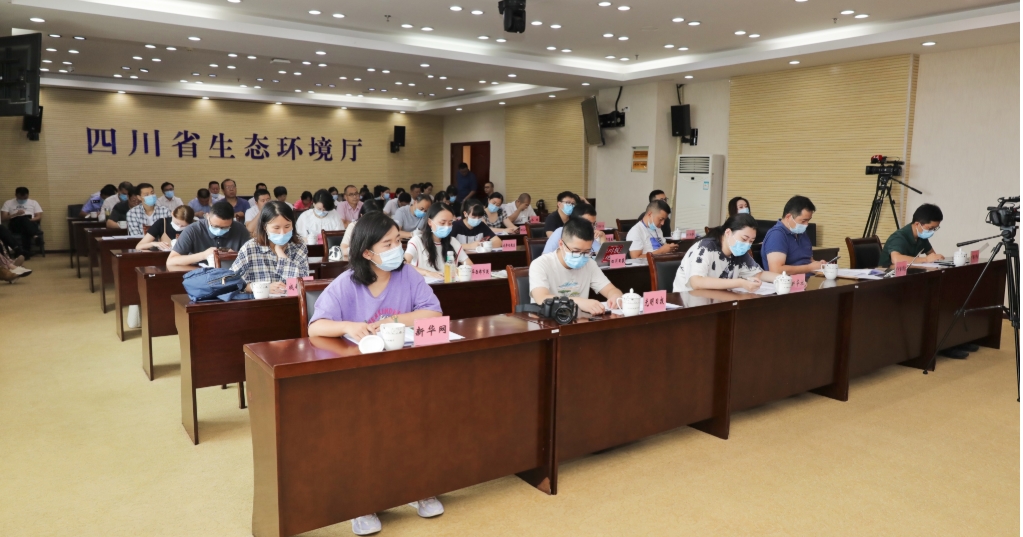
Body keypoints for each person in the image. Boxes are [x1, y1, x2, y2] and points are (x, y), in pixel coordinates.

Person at [308, 210, 445, 536]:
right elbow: (316, 327)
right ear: (367, 252)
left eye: (399, 240)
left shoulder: (408, 275)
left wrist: (393, 321)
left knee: (421, 419)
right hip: (360, 377)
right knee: (365, 432)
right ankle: (363, 501)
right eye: (389, 244)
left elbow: (433, 313)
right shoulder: (346, 283)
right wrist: (348, 326)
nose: (398, 248)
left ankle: (419, 487)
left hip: (403, 369)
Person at [529, 217, 624, 316]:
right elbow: (541, 298)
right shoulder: (540, 264)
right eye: (576, 251)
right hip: (547, 320)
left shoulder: (589, 263)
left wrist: (616, 296)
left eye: (586, 252)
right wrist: (578, 302)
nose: (581, 256)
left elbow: (611, 290)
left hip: (579, 320)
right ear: (561, 244)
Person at [673, 214, 778, 293]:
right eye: (744, 239)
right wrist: (740, 283)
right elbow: (696, 282)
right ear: (728, 233)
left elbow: (758, 274)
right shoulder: (705, 247)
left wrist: (781, 278)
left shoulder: (739, 252)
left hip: (716, 300)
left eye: (751, 241)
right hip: (688, 301)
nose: (747, 245)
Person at [231, 201, 309, 294]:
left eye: (287, 226)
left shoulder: (298, 246)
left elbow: (302, 284)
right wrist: (261, 288)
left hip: (291, 301)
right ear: (265, 227)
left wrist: (280, 253)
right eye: (276, 228)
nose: (282, 233)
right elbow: (231, 282)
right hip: (259, 301)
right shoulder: (250, 247)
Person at [166, 201, 251, 267]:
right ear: (207, 216)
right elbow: (171, 261)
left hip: (232, 274)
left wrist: (234, 256)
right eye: (215, 226)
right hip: (200, 275)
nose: (219, 230)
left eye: (225, 227)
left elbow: (252, 258)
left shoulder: (240, 229)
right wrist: (204, 255)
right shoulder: (193, 230)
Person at [405, 203, 473, 279]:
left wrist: (461, 270)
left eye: (450, 223)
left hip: (448, 284)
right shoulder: (416, 241)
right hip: (424, 284)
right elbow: (405, 264)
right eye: (442, 223)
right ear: (430, 222)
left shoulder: (453, 242)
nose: (447, 227)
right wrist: (427, 273)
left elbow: (470, 264)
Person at [761, 195, 824, 274]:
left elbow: (808, 260)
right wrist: (810, 268)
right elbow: (776, 270)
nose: (806, 224)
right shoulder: (777, 235)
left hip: (810, 278)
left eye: (808, 220)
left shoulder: (801, 233)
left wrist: (819, 265)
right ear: (789, 217)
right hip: (790, 281)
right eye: (803, 221)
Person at [879, 203, 946, 268]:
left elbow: (932, 256)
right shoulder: (899, 237)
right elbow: (896, 259)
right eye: (930, 228)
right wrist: (925, 259)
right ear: (917, 224)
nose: (932, 231)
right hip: (888, 273)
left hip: (909, 272)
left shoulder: (921, 237)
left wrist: (937, 259)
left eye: (935, 228)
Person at [1, 187, 44, 259]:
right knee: (22, 219)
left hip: (30, 222)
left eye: (25, 198)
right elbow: (3, 218)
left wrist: (29, 220)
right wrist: (16, 214)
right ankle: (35, 236)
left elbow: (38, 217)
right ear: (16, 195)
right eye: (20, 198)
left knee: (25, 224)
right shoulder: (8, 203)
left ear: (28, 195)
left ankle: (23, 254)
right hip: (15, 224)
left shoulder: (33, 202)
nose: (23, 199)